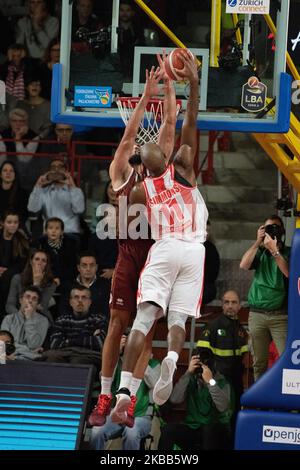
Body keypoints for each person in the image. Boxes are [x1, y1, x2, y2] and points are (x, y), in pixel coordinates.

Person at [111, 51, 208, 416]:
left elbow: (135, 149)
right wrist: (191, 83)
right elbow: (185, 122)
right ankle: (171, 355)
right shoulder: (184, 167)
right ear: (165, 160)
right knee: (180, 318)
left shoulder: (141, 190)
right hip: (195, 250)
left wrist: (133, 155)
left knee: (145, 316)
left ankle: (123, 393)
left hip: (165, 248)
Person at [88, 61, 177, 427]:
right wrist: (146, 95)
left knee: (148, 331)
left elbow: (170, 125)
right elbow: (128, 136)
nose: (144, 148)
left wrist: (171, 89)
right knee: (116, 324)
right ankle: (105, 395)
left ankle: (129, 398)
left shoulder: (162, 172)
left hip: (157, 258)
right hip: (129, 254)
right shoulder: (121, 174)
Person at [90, 331, 160, 450]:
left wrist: (141, 358)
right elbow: (104, 380)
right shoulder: (119, 361)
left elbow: (154, 384)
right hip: (116, 413)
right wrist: (116, 353)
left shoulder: (154, 364)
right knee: (97, 431)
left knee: (131, 433)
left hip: (141, 416)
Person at [240, 214, 289, 380]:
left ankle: (285, 401)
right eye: (268, 227)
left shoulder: (289, 251)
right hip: (257, 314)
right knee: (258, 362)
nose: (272, 230)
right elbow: (244, 264)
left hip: (280, 316)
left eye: (275, 227)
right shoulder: (259, 252)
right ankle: (258, 402)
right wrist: (257, 242)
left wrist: (274, 250)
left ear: (282, 231)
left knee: (285, 360)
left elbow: (289, 273)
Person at [158, 348, 234, 450]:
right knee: (168, 430)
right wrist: (188, 373)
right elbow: (175, 399)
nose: (202, 364)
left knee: (209, 430)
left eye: (205, 361)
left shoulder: (221, 382)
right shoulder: (191, 379)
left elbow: (223, 407)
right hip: (193, 427)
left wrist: (210, 382)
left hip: (216, 429)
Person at [197, 290, 249, 428]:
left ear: (240, 306)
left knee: (235, 418)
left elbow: (245, 358)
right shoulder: (213, 326)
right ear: (222, 305)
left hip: (235, 381)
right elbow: (202, 354)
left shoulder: (242, 331)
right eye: (227, 302)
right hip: (218, 380)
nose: (230, 306)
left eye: (234, 302)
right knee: (218, 420)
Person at [41, 286, 107, 367]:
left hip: (89, 356)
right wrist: (88, 339)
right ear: (70, 302)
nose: (80, 301)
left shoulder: (98, 320)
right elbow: (55, 344)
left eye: (84, 298)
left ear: (89, 302)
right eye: (76, 297)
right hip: (64, 355)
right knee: (52, 359)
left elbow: (100, 343)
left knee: (77, 360)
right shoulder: (62, 320)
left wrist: (68, 341)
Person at [27, 158, 85, 239]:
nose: (56, 170)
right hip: (49, 234)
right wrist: (38, 186)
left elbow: (79, 209)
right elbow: (32, 209)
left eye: (60, 167)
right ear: (49, 172)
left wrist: (72, 186)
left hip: (69, 233)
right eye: (53, 168)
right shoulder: (43, 192)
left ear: (66, 171)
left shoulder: (75, 190)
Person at [6, 248, 57, 323]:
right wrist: (20, 317)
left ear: (46, 265)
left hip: (40, 318)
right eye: (37, 259)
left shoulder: (51, 284)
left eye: (43, 260)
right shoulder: (17, 278)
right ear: (31, 262)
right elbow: (9, 305)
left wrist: (36, 283)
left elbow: (41, 307)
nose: (40, 263)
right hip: (18, 317)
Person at [1, 285, 49, 360]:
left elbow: (34, 345)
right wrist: (27, 350)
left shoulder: (43, 321)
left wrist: (29, 319)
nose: (30, 301)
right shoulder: (9, 319)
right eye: (27, 297)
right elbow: (3, 344)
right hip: (8, 357)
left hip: (29, 359)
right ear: (20, 300)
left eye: (34, 299)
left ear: (37, 304)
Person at [58, 251, 110, 320]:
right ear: (78, 268)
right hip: (72, 326)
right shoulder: (68, 286)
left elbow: (108, 311)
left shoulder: (106, 286)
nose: (88, 269)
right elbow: (63, 310)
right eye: (84, 265)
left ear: (96, 267)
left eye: (92, 265)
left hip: (98, 325)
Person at [0, 107, 40, 190]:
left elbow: (24, 160)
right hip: (6, 173)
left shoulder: (34, 137)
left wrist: (18, 140)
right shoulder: (3, 134)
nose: (18, 124)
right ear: (10, 122)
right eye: (14, 121)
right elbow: (2, 160)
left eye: (21, 121)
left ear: (26, 122)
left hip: (26, 174)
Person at [32, 217, 78, 287]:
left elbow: (72, 266)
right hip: (47, 277)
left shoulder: (70, 245)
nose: (53, 231)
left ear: (62, 231)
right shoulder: (40, 245)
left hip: (65, 278)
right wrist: (52, 277)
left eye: (57, 228)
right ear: (46, 231)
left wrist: (60, 278)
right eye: (50, 228)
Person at [0, 210, 29, 319]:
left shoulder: (22, 240)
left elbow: (22, 263)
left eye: (15, 222)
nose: (13, 225)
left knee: (9, 277)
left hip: (12, 274)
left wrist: (6, 272)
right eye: (9, 222)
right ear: (2, 223)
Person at [0, 161, 28, 226]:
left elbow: (24, 215)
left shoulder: (22, 193)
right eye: (5, 170)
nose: (8, 173)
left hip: (15, 226)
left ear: (15, 175)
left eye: (11, 171)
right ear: (0, 175)